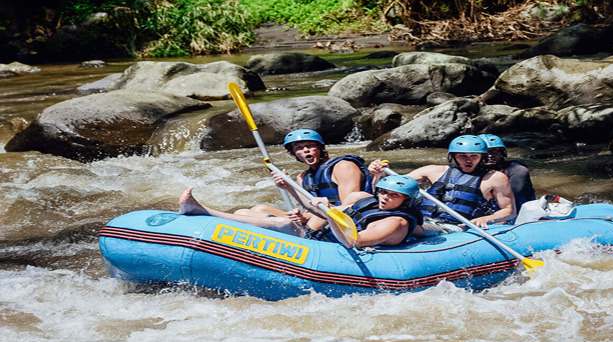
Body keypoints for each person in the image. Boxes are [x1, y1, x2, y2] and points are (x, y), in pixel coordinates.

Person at [178, 174, 423, 248]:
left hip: (321, 245)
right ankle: (202, 212)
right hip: (315, 232)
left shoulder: (395, 223)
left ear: (407, 201)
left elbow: (352, 241)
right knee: (245, 210)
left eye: (393, 195)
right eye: (382, 191)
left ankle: (203, 211)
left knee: (275, 224)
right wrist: (290, 189)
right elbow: (315, 210)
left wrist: (328, 215)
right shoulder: (365, 199)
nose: (384, 198)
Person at [369, 135, 516, 233]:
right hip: (422, 219)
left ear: (482, 157)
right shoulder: (434, 171)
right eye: (462, 156)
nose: (468, 160)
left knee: (400, 223)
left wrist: (486, 219)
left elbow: (509, 211)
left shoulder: (495, 178)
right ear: (453, 157)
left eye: (474, 156)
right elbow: (389, 189)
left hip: (452, 227)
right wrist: (378, 175)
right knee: (359, 197)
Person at [233, 128, 373, 220]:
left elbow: (349, 208)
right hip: (319, 218)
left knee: (242, 214)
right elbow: (310, 211)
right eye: (299, 148)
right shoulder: (303, 177)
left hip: (345, 219)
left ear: (320, 148)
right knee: (258, 209)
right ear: (293, 154)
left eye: (310, 146)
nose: (306, 151)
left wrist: (291, 188)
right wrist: (301, 216)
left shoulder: (343, 166)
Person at [478, 134, 536, 213]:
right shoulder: (469, 169)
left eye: (495, 150)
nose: (490, 155)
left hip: (516, 212)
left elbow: (516, 200)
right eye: (487, 151)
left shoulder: (517, 170)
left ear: (502, 153)